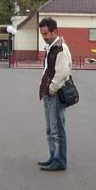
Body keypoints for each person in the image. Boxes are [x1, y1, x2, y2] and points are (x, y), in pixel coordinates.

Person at [37, 17, 72, 172]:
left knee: (57, 128)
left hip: (56, 94)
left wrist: (51, 89)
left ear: (54, 31)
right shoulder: (51, 47)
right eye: (42, 34)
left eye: (46, 33)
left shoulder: (61, 49)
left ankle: (59, 161)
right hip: (48, 93)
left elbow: (62, 73)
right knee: (50, 128)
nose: (44, 37)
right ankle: (53, 156)